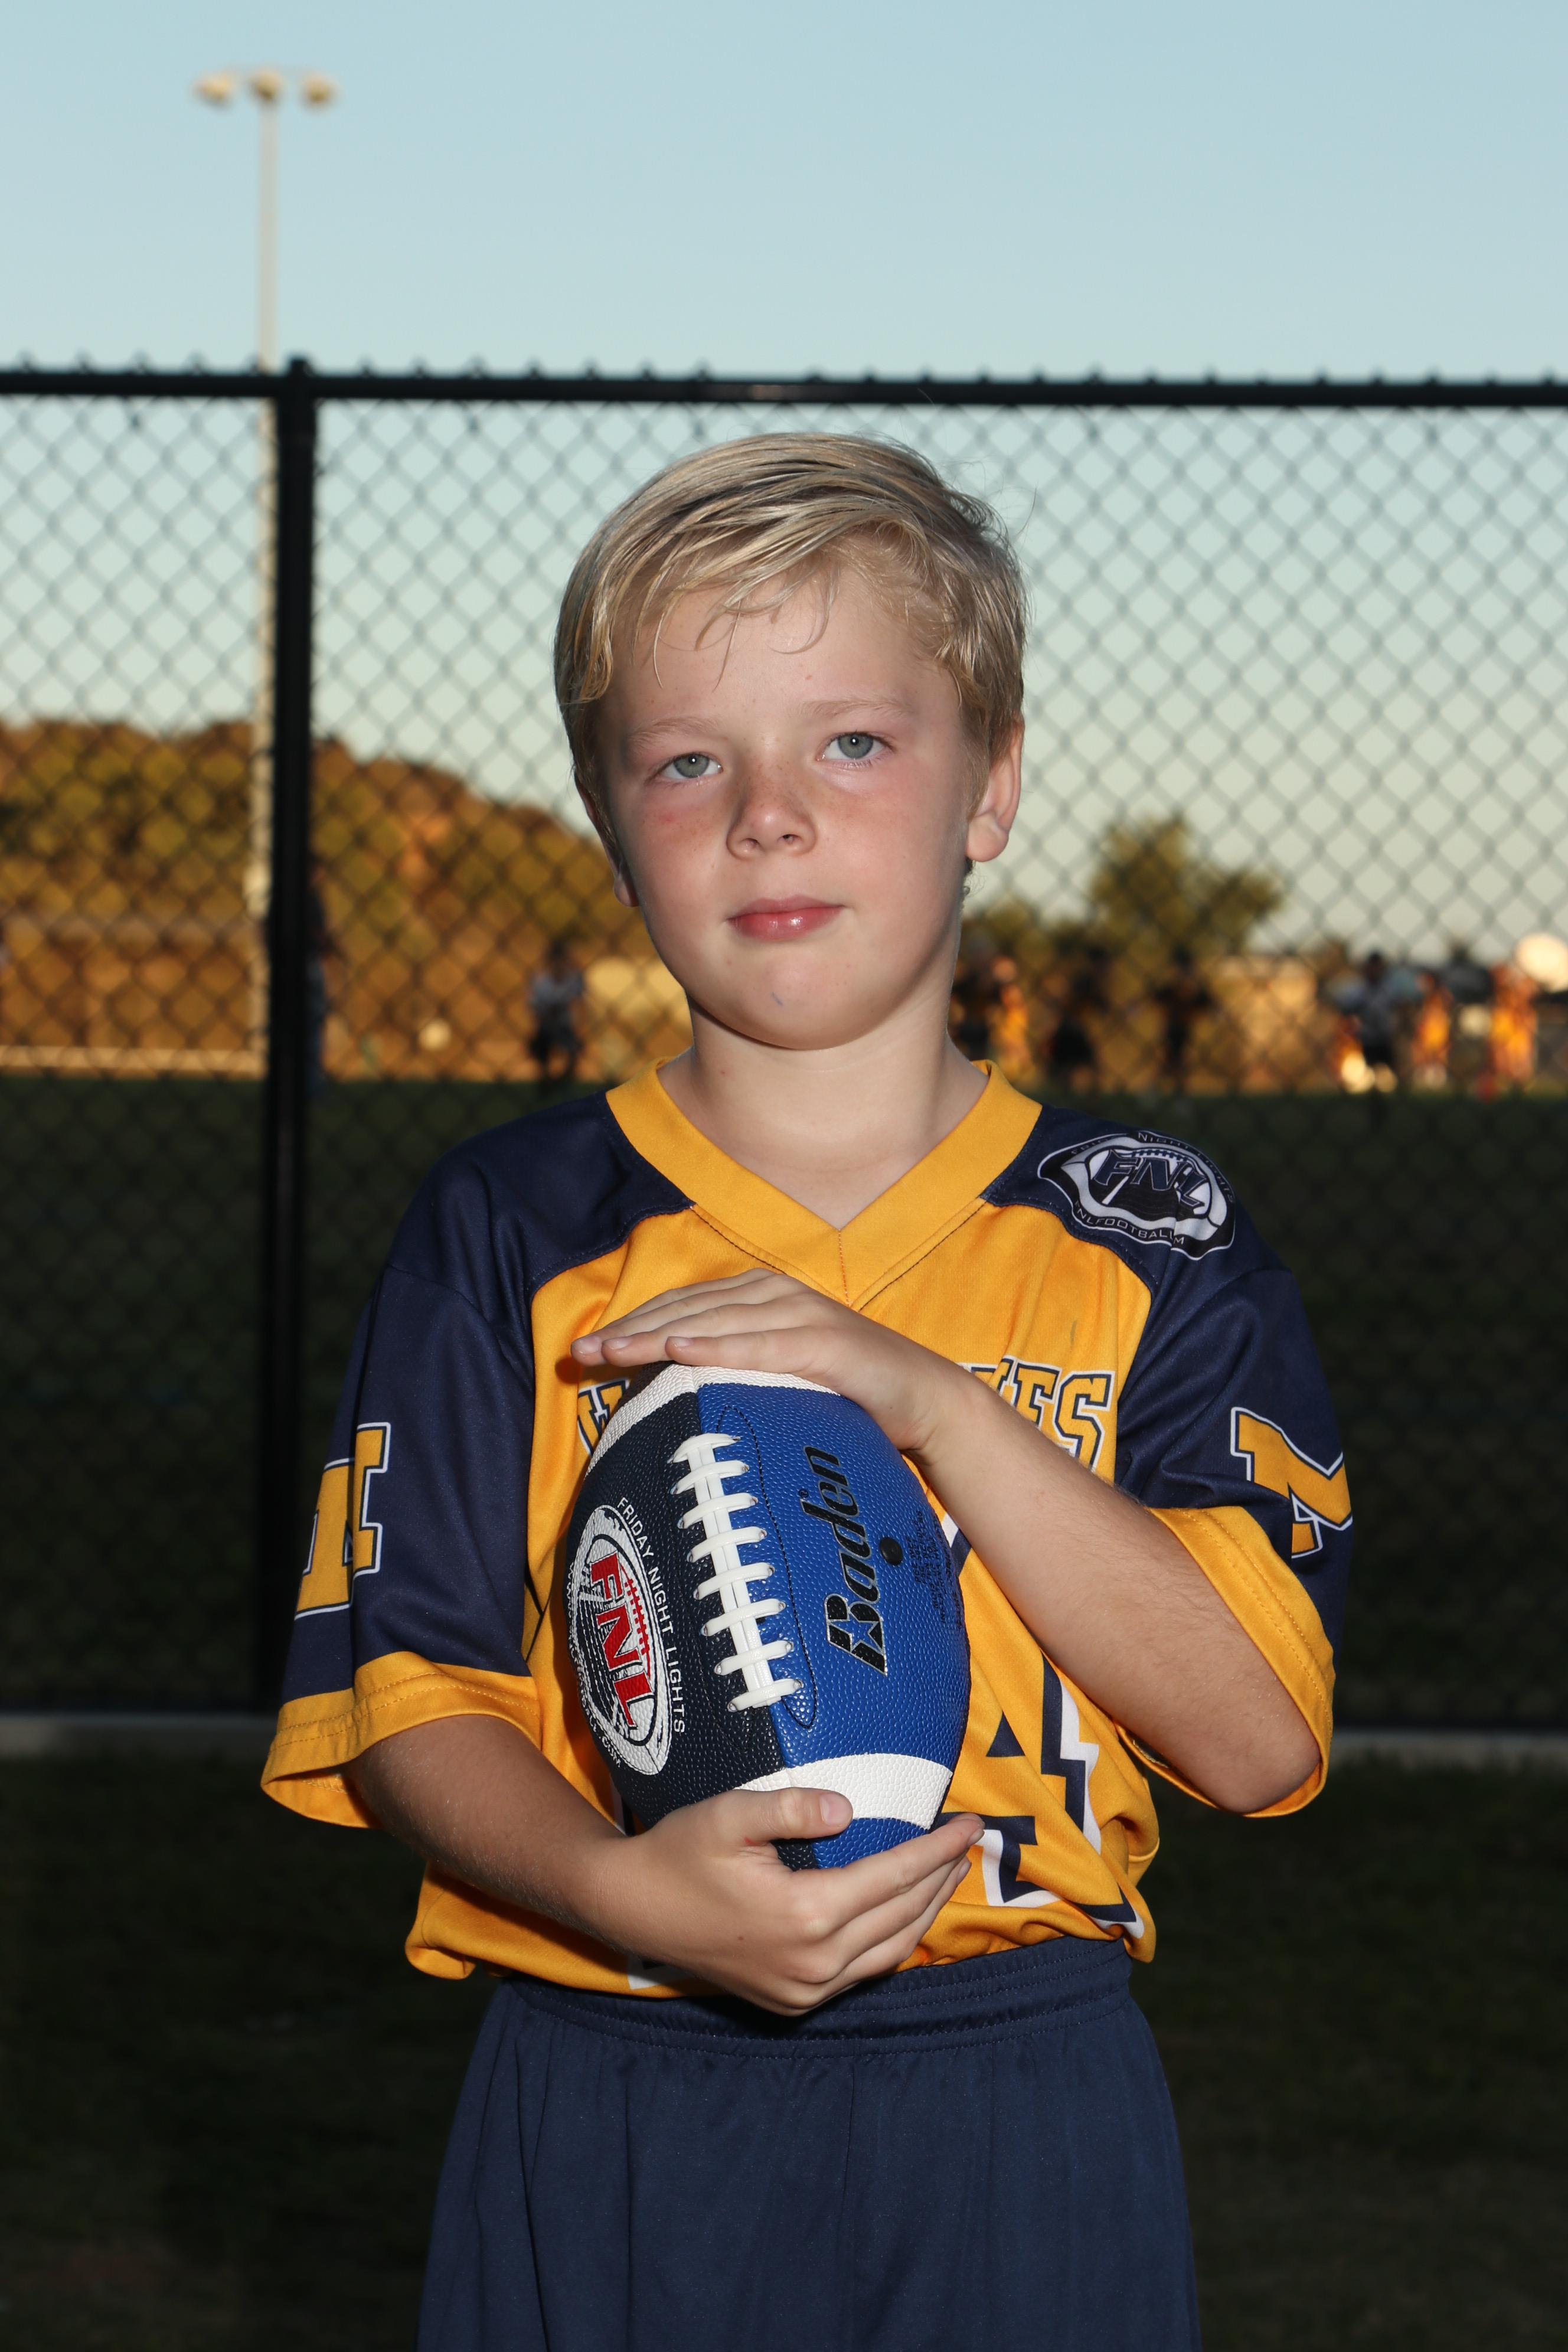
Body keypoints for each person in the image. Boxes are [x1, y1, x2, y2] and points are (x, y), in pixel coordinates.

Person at [262, 437, 1348, 2352]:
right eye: (689, 763)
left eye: (851, 742)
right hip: (610, 2073)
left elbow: (1255, 1737)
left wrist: (934, 1405)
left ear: (990, 781)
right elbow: (409, 1697)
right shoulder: (510, 1229)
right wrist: (618, 1889)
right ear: (611, 818)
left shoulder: (1146, 1236)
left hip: (1015, 2092)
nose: (768, 818)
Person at [1045, 943, 1110, 1091]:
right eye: (1103, 965)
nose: (1106, 970)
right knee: (1074, 1069)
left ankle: (1079, 1097)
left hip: (1075, 1030)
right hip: (1070, 1031)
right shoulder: (1085, 982)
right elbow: (1070, 1004)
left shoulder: (1094, 984)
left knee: (1085, 1069)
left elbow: (1102, 1008)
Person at [1152, 945, 1214, 1092]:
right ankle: (1163, 1092)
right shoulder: (1172, 989)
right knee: (1173, 1063)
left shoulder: (1196, 990)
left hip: (1184, 1030)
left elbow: (1208, 1004)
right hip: (1172, 1029)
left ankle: (1165, 1091)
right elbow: (1154, 998)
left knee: (1175, 1064)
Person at [528, 937, 584, 1086]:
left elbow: (579, 1005)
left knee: (575, 1046)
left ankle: (566, 1077)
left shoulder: (573, 979)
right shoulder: (541, 981)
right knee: (541, 1042)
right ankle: (546, 1077)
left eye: (562, 960)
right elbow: (535, 1010)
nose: (559, 964)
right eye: (556, 960)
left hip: (565, 1026)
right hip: (547, 1026)